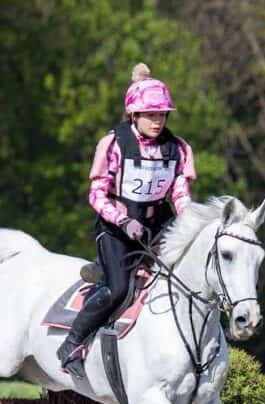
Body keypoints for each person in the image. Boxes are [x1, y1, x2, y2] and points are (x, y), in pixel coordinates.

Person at [57, 62, 198, 378]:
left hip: (158, 227)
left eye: (162, 115)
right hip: (116, 229)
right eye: (151, 115)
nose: (158, 121)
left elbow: (180, 195)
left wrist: (191, 224)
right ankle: (72, 344)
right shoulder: (114, 144)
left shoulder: (177, 149)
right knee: (119, 289)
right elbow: (96, 195)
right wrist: (122, 222)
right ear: (134, 115)